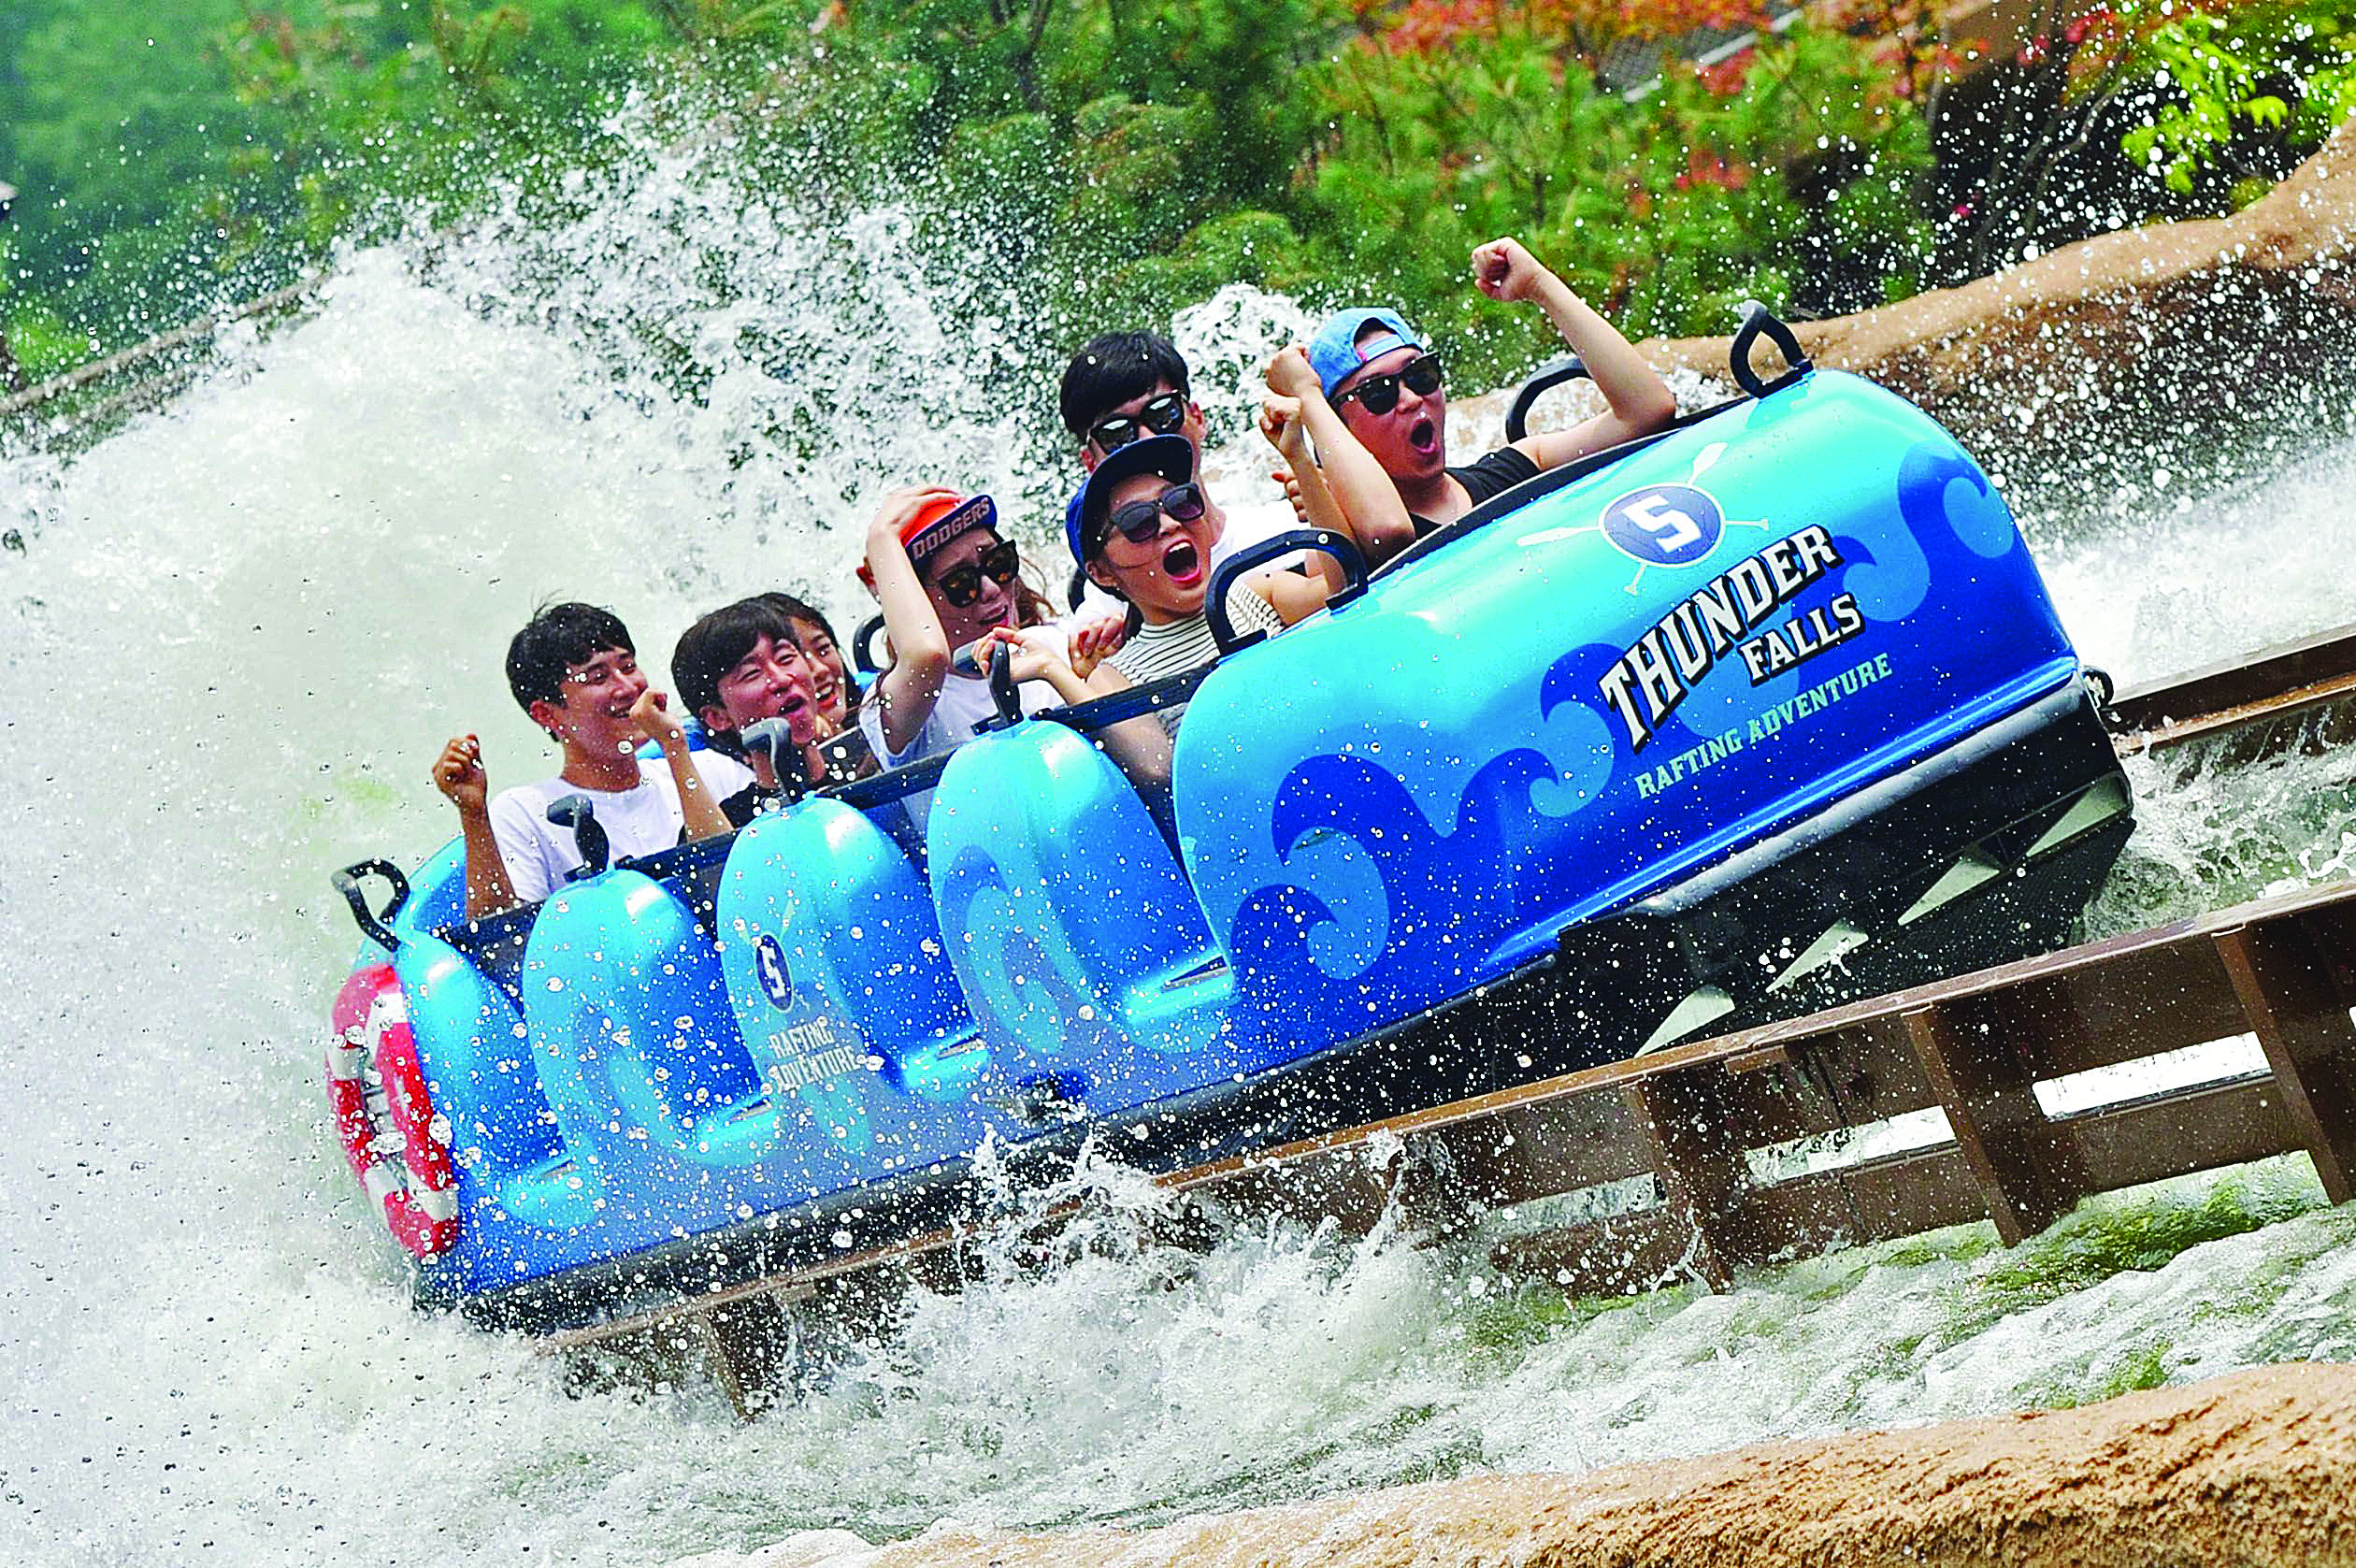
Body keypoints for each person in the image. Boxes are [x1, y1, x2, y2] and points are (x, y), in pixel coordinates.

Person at [1291, 236, 1678, 561]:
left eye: (1420, 374)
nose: (1410, 398)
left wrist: (1539, 286)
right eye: (1379, 393)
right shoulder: (1346, 552)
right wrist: (1309, 406)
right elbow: (1385, 535)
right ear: (1338, 427)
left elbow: (1647, 411)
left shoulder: (1512, 473)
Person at [429, 601, 745, 920]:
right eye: (598, 677)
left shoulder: (713, 770)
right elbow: (503, 943)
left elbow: (739, 889)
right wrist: (473, 814)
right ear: (545, 713)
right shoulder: (524, 812)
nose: (628, 687)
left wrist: (675, 748)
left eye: (629, 665)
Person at [1072, 430, 1348, 733]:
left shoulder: (1257, 596)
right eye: (1138, 521)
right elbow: (1154, 771)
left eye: (1181, 501)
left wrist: (1301, 463)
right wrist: (1050, 670)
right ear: (1101, 572)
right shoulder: (1114, 676)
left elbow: (1343, 589)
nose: (1170, 524)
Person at [673, 597, 831, 825]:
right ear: (718, 717)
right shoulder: (732, 829)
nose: (781, 679)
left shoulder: (868, 768)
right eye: (751, 674)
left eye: (785, 657)